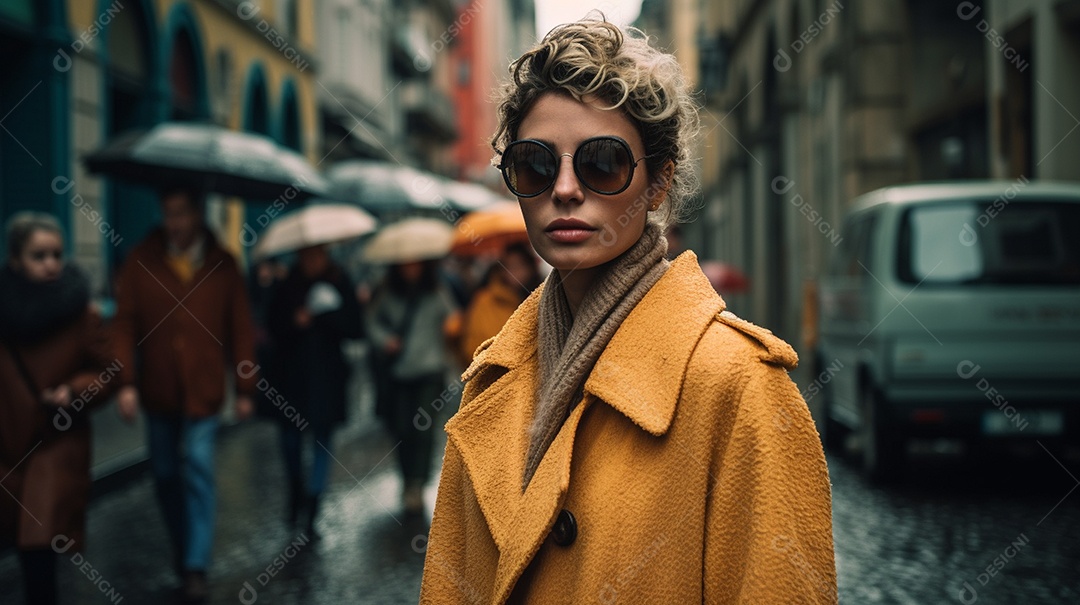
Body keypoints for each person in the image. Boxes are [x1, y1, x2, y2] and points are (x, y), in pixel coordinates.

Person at [420, 16, 837, 603]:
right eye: (537, 165)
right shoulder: (493, 379)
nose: (565, 189)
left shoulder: (737, 384)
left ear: (658, 182)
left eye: (601, 163)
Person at [112, 188, 256, 603]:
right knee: (164, 476)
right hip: (157, 391)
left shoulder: (222, 264)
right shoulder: (142, 260)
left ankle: (195, 565)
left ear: (197, 215)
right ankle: (183, 547)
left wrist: (245, 387)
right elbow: (123, 323)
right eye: (167, 213)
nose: (174, 222)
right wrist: (124, 382)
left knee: (197, 467)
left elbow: (240, 330)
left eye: (181, 213)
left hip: (205, 392)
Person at [0, 213, 118, 605]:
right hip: (7, 445)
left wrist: (73, 389)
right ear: (15, 261)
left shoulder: (82, 314)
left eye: (56, 254)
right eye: (38, 256)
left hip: (54, 443)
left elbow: (107, 373)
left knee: (38, 547)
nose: (51, 263)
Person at [265, 244, 361, 535]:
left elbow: (355, 327)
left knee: (322, 444)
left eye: (318, 254)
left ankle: (313, 505)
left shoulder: (340, 282)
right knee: (290, 443)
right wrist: (295, 322)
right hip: (291, 382)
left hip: (326, 382)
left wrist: (325, 317)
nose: (312, 261)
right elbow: (272, 326)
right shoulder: (286, 286)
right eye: (307, 255)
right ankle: (296, 493)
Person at [366, 260, 458, 515]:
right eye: (405, 265)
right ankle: (407, 478)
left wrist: (452, 327)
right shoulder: (387, 294)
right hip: (399, 373)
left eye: (416, 265)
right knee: (402, 428)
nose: (411, 269)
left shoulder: (436, 291)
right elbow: (371, 323)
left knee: (424, 429)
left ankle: (417, 483)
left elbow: (453, 317)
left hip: (430, 371)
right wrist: (386, 341)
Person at [456, 242, 540, 365]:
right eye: (509, 267)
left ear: (531, 268)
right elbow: (472, 346)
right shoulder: (485, 300)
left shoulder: (541, 298)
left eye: (520, 266)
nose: (515, 273)